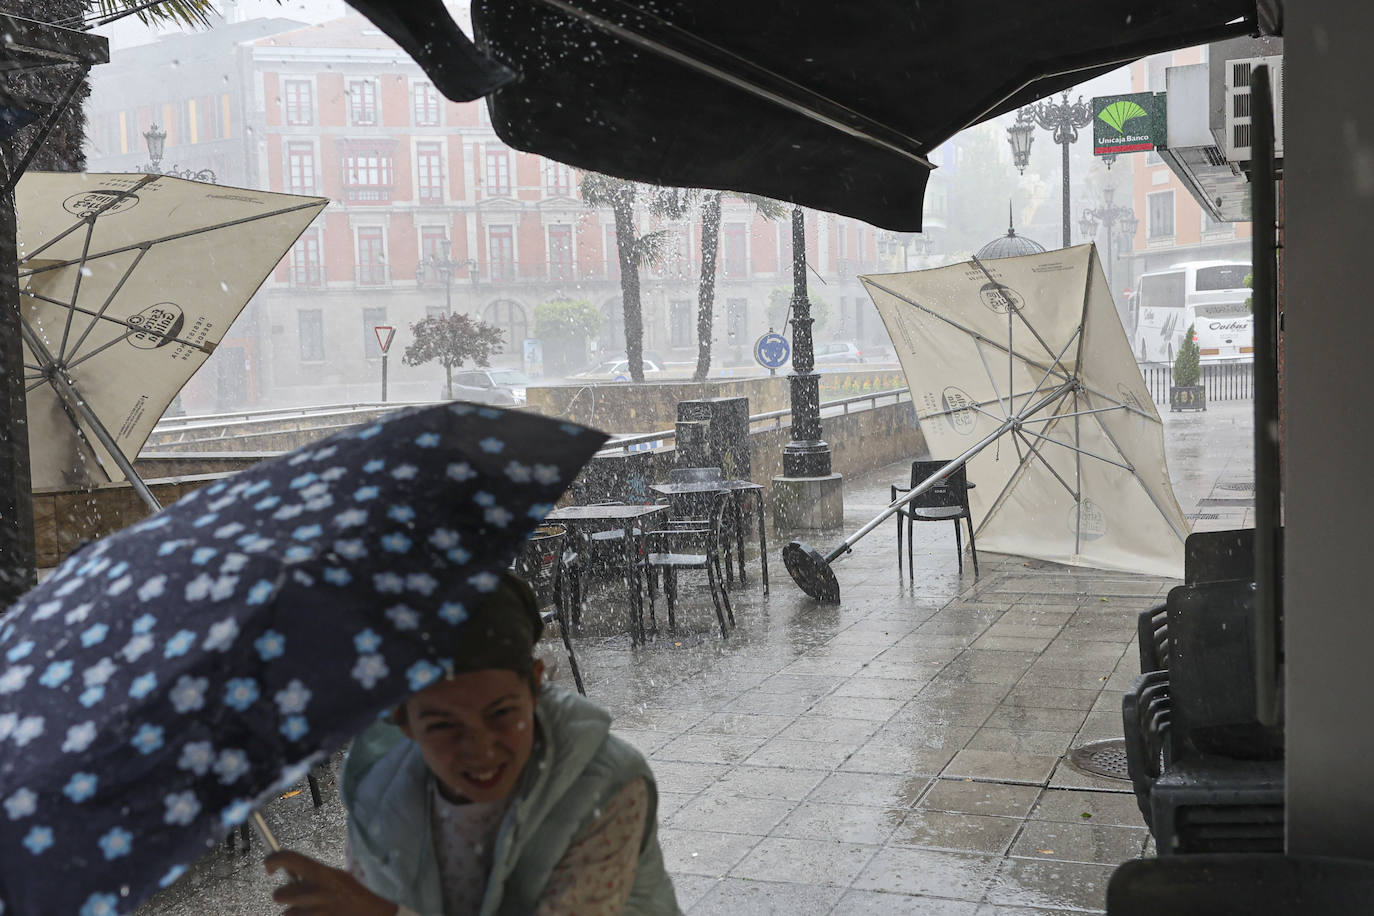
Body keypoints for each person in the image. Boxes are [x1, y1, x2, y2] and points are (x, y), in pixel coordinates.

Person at [264, 571, 680, 915]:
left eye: (500, 713)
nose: (480, 748)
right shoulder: (378, 791)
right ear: (401, 720)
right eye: (444, 725)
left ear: (535, 686)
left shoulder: (605, 788)